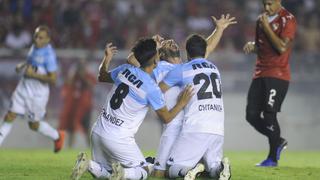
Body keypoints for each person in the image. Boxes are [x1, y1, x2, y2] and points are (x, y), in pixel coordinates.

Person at [71, 38, 193, 180]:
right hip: (118, 138)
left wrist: (106, 58)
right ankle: (124, 173)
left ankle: (89, 165)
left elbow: (102, 76)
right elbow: (166, 118)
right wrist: (182, 103)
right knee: (143, 171)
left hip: (98, 131)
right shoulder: (151, 88)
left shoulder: (125, 69)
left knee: (105, 173)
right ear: (155, 60)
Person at [158, 14, 236, 180]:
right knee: (213, 170)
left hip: (196, 127)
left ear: (187, 52)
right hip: (217, 127)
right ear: (203, 51)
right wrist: (219, 29)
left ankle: (192, 170)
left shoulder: (182, 70)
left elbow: (157, 90)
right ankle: (221, 167)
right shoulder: (214, 68)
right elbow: (207, 49)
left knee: (172, 170)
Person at [243, 0, 297, 167]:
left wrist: (266, 26)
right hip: (259, 73)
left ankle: (272, 158)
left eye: (270, 4)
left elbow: (281, 47)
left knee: (268, 115)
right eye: (264, 4)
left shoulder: (287, 19)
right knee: (251, 115)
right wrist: (253, 46)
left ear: (278, 1)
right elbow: (263, 47)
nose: (266, 8)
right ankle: (278, 140)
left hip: (278, 74)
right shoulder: (261, 20)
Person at [0, 25, 65, 153]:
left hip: (37, 94)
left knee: (33, 125)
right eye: (36, 36)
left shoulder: (49, 55)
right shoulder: (34, 47)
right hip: (23, 87)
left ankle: (57, 136)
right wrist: (22, 65)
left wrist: (33, 75)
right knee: (9, 116)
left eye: (41, 38)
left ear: (48, 39)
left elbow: (53, 79)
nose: (37, 40)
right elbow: (31, 62)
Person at [58, 59, 96, 148]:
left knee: (87, 128)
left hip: (86, 107)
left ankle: (91, 147)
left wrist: (83, 77)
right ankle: (70, 147)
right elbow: (68, 84)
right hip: (75, 107)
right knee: (71, 128)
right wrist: (72, 75)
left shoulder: (88, 76)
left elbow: (91, 85)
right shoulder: (74, 77)